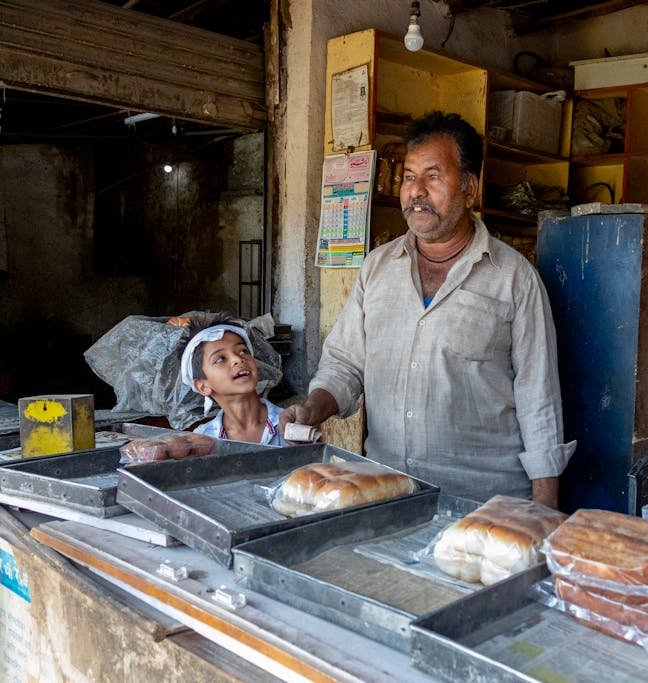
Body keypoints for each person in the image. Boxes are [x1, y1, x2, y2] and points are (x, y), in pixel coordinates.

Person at [280, 111, 574, 508]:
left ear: (470, 187)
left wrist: (544, 512)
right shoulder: (377, 267)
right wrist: (314, 407)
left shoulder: (513, 277)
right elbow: (345, 363)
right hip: (386, 491)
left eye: (433, 176)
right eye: (408, 176)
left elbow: (538, 396)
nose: (415, 191)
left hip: (482, 501)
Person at [179, 313, 286, 446]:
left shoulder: (290, 423)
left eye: (243, 351)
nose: (238, 359)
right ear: (203, 387)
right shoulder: (202, 441)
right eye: (220, 359)